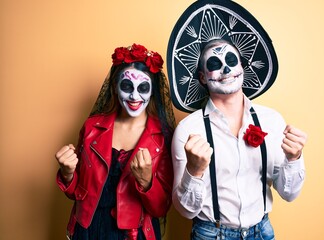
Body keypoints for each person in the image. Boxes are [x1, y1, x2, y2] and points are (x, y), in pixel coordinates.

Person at [167, 1, 307, 239]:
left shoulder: (271, 120)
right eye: (214, 64)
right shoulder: (189, 130)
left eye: (231, 61)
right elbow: (185, 211)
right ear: (202, 77)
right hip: (211, 233)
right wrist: (194, 170)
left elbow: (289, 194)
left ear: (242, 66)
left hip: (262, 232)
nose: (226, 69)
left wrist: (294, 159)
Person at [55, 43, 175, 240]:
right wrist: (67, 174)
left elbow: (161, 207)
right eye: (127, 86)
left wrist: (146, 181)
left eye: (143, 87)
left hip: (135, 235)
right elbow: (78, 193)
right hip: (88, 231)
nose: (135, 96)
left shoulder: (163, 137)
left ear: (152, 91)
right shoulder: (91, 128)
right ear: (114, 87)